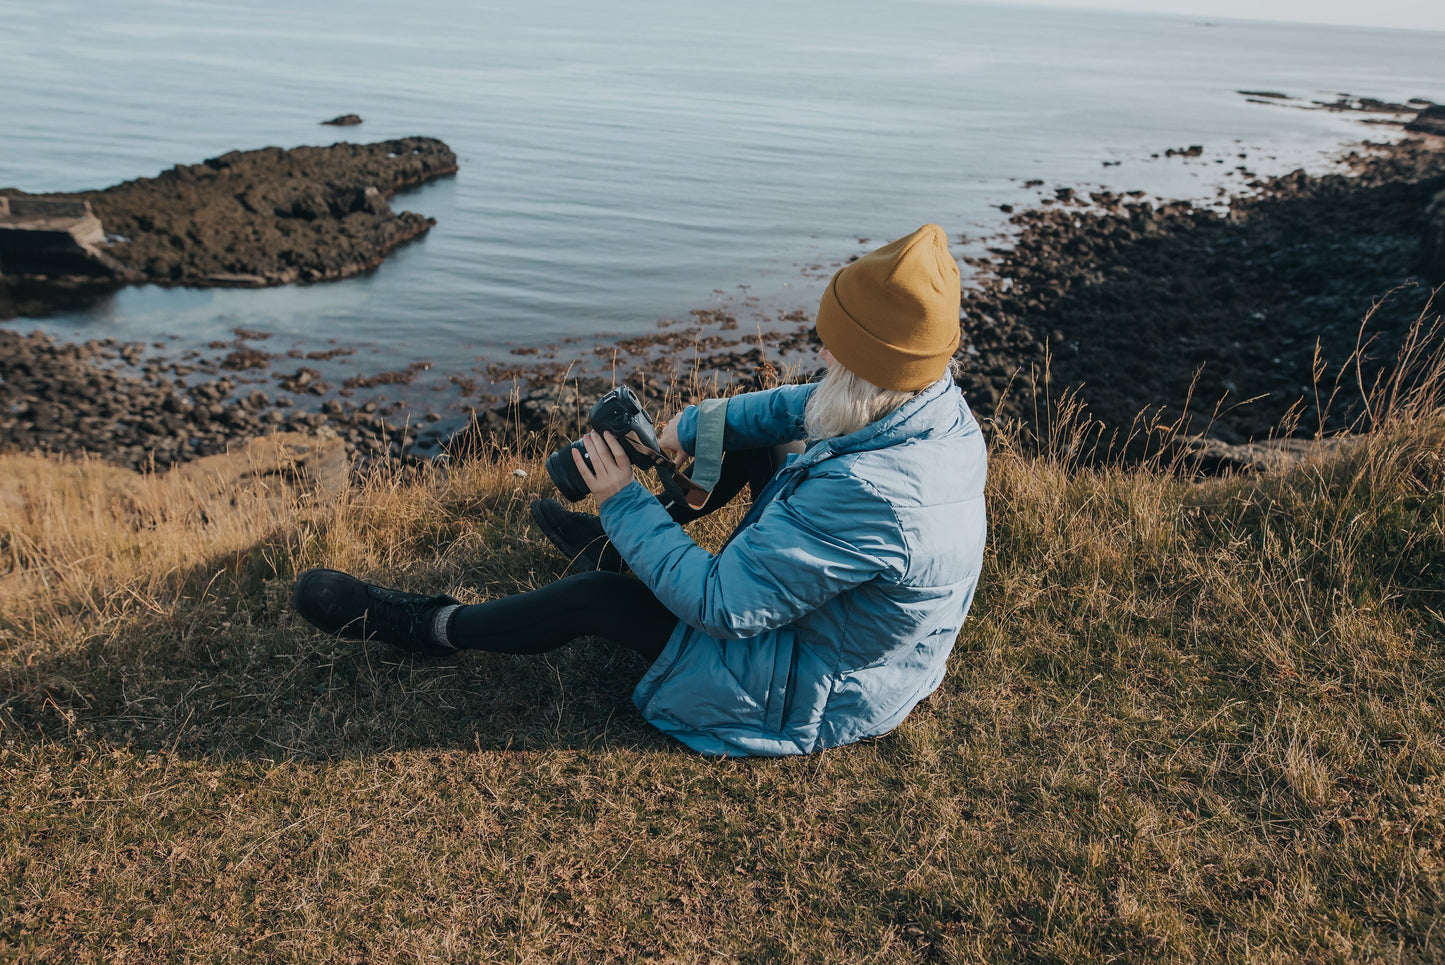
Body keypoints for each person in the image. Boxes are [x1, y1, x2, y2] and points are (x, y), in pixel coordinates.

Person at [291, 224, 988, 756]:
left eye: (836, 347)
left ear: (870, 366)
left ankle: (429, 626)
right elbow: (797, 407)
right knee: (755, 438)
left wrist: (620, 496)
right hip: (866, 650)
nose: (823, 353)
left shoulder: (878, 495)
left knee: (594, 602)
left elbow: (721, 605)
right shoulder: (928, 405)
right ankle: (609, 545)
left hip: (812, 688)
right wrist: (693, 426)